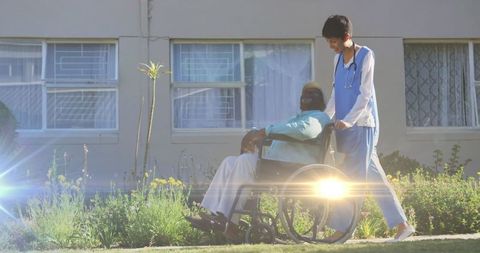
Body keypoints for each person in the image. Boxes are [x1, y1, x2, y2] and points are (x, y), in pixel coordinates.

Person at [187, 82, 332, 240]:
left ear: (318, 99)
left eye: (311, 94)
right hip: (279, 165)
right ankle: (212, 214)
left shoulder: (319, 117)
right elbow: (283, 133)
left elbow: (307, 131)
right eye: (305, 94)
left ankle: (228, 221)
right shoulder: (298, 118)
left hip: (292, 169)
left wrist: (265, 131)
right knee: (229, 161)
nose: (306, 97)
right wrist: (258, 138)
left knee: (244, 162)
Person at [321, 15, 415, 242]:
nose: (331, 46)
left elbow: (365, 95)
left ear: (347, 37)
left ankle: (344, 228)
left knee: (351, 178)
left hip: (362, 125)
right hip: (344, 127)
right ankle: (402, 225)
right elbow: (336, 94)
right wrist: (324, 118)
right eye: (328, 42)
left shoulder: (366, 56)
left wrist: (350, 120)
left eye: (334, 41)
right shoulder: (336, 61)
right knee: (374, 177)